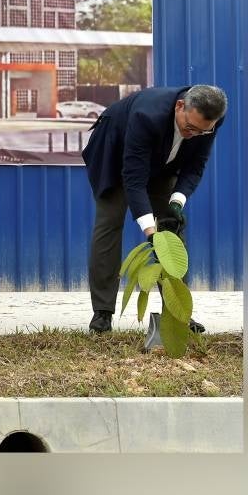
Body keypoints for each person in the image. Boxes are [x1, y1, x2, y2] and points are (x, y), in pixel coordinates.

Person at [82, 85, 227, 333]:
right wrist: (150, 232)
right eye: (189, 127)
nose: (193, 134)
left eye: (202, 131)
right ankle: (102, 313)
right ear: (180, 106)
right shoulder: (147, 116)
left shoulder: (210, 118)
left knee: (171, 231)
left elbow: (195, 166)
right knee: (110, 222)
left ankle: (178, 312)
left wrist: (176, 203)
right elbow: (134, 179)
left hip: (163, 162)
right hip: (116, 156)